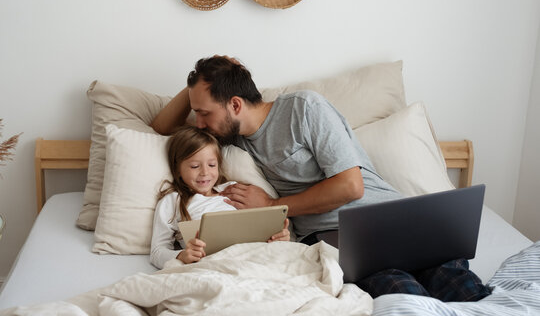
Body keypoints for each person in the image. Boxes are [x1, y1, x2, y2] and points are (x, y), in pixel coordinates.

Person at [151, 55, 492, 301]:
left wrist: (272, 205)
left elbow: (350, 185)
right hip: (337, 241)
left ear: (236, 105)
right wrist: (197, 83)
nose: (198, 123)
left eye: (204, 113)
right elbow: (162, 128)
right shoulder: (229, 136)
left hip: (393, 218)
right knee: (403, 297)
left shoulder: (303, 108)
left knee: (460, 287)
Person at [150, 125, 290, 269]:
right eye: (194, 166)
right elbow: (157, 252)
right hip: (213, 264)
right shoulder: (173, 201)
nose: (205, 172)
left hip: (254, 257)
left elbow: (254, 230)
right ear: (177, 169)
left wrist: (276, 237)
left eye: (211, 165)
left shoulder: (233, 190)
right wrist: (182, 255)